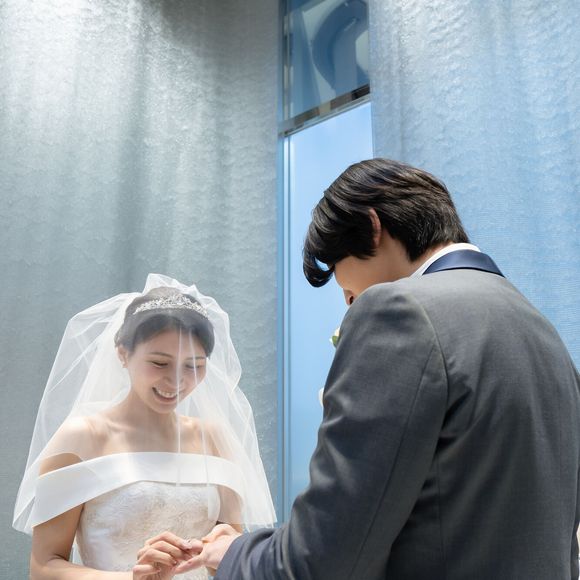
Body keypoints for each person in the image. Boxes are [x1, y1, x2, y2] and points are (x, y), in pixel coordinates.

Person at [176, 158, 580, 579]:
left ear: (372, 227)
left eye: (340, 275)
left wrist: (235, 553)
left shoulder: (399, 311)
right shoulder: (541, 331)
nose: (348, 300)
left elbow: (323, 558)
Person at [13, 274, 276, 579]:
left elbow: (227, 560)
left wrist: (225, 554)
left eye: (194, 366)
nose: (177, 381)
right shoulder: (82, 438)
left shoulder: (213, 438)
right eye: (160, 363)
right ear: (123, 353)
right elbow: (43, 566)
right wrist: (132, 578)